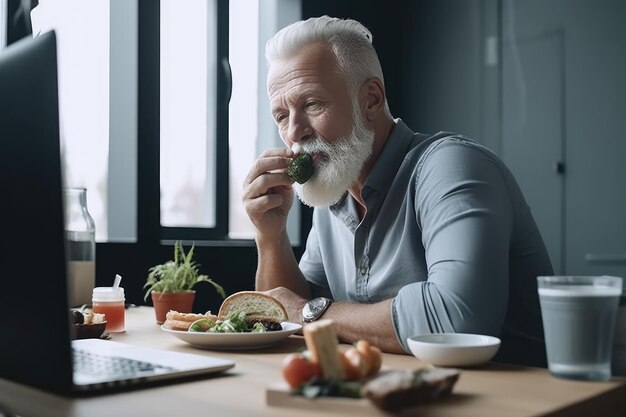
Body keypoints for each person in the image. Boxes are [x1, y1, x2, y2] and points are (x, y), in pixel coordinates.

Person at [242, 15, 553, 367]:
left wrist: (309, 312)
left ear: (371, 99)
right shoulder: (332, 196)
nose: (294, 132)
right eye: (281, 115)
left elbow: (458, 320)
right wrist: (270, 236)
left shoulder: (452, 167)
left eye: (312, 104)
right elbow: (287, 314)